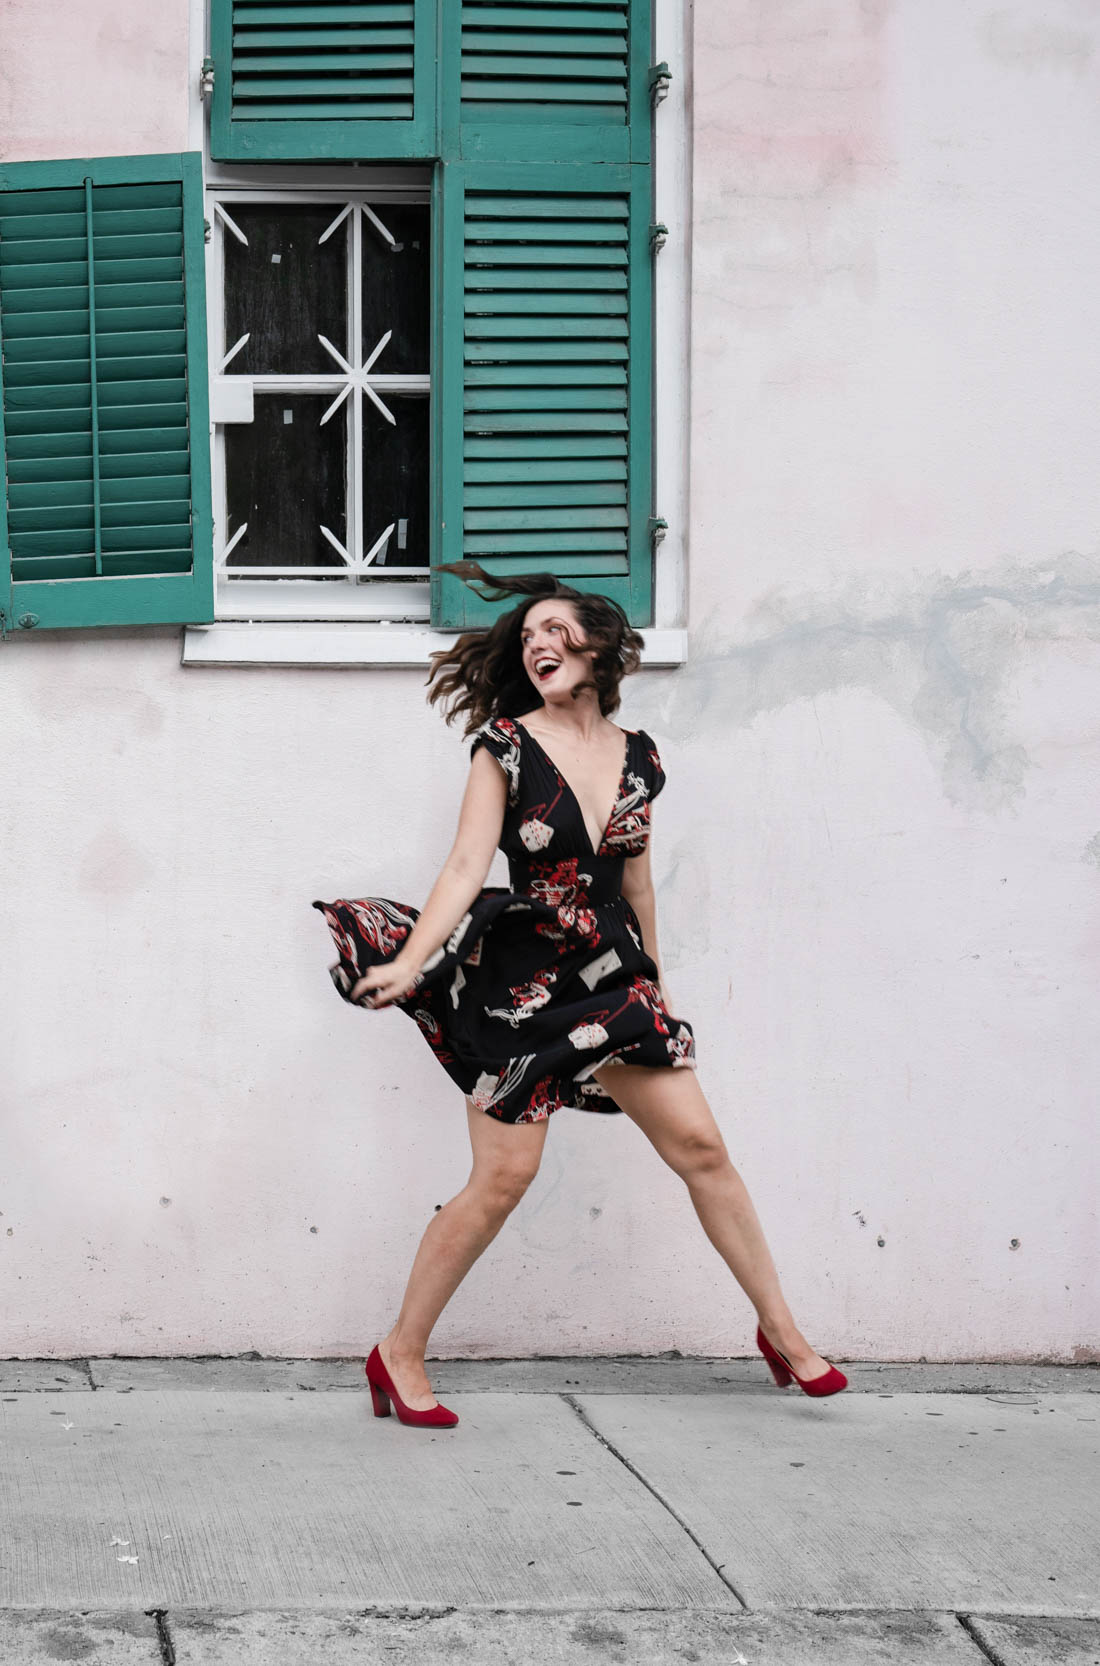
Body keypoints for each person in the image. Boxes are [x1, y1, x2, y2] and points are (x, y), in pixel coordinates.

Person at [313, 562, 847, 1428]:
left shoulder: (640, 758)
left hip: (614, 974)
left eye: (554, 631)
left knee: (703, 1150)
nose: (536, 646)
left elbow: (635, 883)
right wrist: (412, 963)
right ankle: (398, 1351)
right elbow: (462, 867)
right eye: (527, 638)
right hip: (523, 983)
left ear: (598, 645)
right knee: (502, 1180)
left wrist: (658, 986)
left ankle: (782, 1331)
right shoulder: (505, 745)